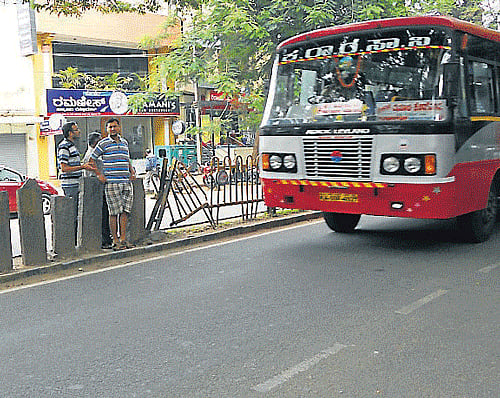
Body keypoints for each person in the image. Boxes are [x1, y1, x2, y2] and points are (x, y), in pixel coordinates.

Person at [90, 118, 136, 251]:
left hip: (126, 181)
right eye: (110, 127)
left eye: (115, 126)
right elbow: (91, 160)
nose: (113, 129)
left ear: (119, 127)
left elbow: (127, 159)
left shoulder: (124, 143)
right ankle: (115, 240)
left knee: (125, 211)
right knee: (114, 212)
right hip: (112, 183)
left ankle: (123, 239)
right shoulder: (103, 144)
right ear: (107, 129)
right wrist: (99, 174)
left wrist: (131, 171)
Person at [57, 121, 95, 243]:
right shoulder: (64, 146)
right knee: (72, 214)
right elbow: (64, 168)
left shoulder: (72, 145)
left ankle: (76, 240)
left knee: (78, 213)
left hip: (77, 183)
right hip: (70, 185)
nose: (79, 131)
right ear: (70, 133)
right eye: (76, 130)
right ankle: (71, 242)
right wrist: (83, 167)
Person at [83, 131, 113, 249]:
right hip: (97, 189)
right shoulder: (92, 155)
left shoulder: (95, 154)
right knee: (103, 214)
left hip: (99, 188)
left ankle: (106, 237)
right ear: (96, 143)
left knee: (105, 213)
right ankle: (104, 239)